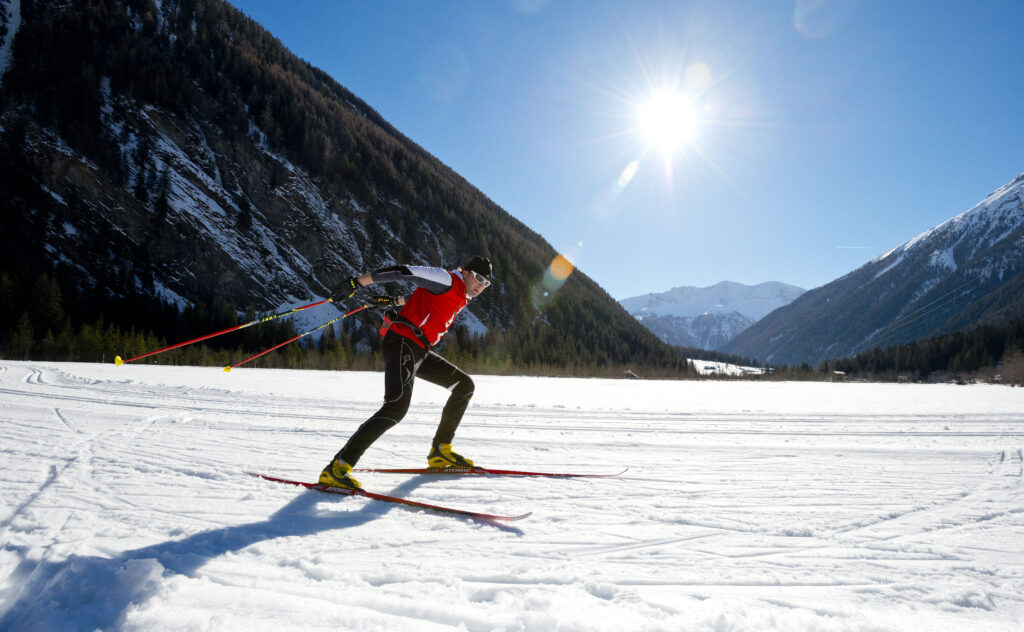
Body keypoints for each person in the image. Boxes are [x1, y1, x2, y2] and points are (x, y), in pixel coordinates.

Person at [319, 256, 493, 489]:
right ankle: (338, 468)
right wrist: (357, 283)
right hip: (403, 341)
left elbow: (418, 298)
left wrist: (391, 300)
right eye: (479, 278)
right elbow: (403, 271)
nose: (481, 286)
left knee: (464, 386)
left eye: (486, 283)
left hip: (419, 349)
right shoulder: (446, 279)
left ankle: (441, 451)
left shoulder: (460, 295)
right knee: (396, 407)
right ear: (466, 273)